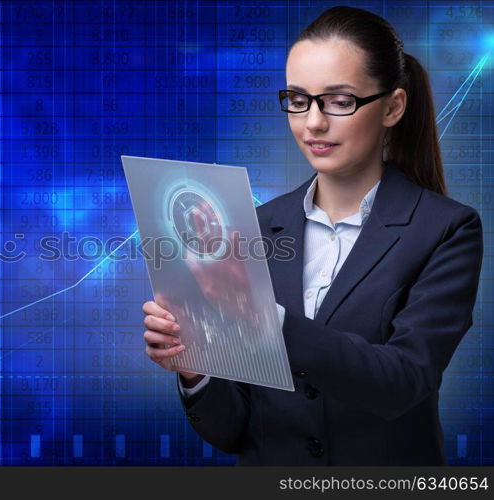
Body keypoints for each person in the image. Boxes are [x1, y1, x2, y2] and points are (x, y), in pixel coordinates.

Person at [141, 6, 484, 465]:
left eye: (340, 101)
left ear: (393, 106)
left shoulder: (447, 229)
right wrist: (195, 368)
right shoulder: (254, 229)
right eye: (298, 99)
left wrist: (267, 320)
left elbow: (402, 383)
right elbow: (234, 432)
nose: (313, 123)